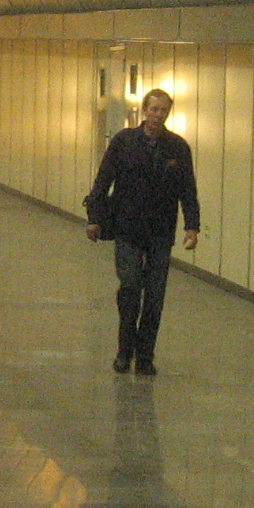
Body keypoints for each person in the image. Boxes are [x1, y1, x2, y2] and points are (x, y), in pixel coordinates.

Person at [84, 88, 200, 376]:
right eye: (154, 109)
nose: (158, 115)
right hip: (128, 228)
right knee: (131, 286)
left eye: (163, 110)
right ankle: (124, 351)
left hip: (160, 231)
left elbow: (188, 190)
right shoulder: (124, 142)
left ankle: (146, 356)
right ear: (145, 110)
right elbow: (103, 180)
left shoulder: (177, 148)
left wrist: (192, 226)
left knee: (155, 295)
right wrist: (94, 218)